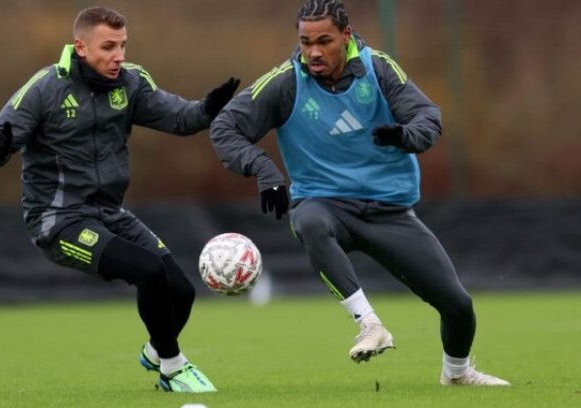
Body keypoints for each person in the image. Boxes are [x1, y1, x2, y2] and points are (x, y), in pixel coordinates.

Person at [210, 0, 509, 386]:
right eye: (305, 42)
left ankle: (457, 374)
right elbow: (224, 128)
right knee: (309, 222)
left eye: (324, 41)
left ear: (346, 37)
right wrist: (265, 170)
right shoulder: (285, 82)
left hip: (390, 212)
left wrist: (404, 135)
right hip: (325, 203)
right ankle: (369, 324)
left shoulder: (379, 68)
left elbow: (427, 118)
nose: (313, 51)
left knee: (458, 306)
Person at [0, 6, 240, 393]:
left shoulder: (130, 83)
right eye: (108, 47)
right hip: (57, 220)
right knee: (148, 270)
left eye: (123, 46)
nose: (119, 55)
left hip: (110, 213)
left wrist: (208, 108)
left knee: (180, 290)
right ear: (81, 47)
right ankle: (172, 368)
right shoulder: (45, 88)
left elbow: (182, 120)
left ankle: (154, 351)